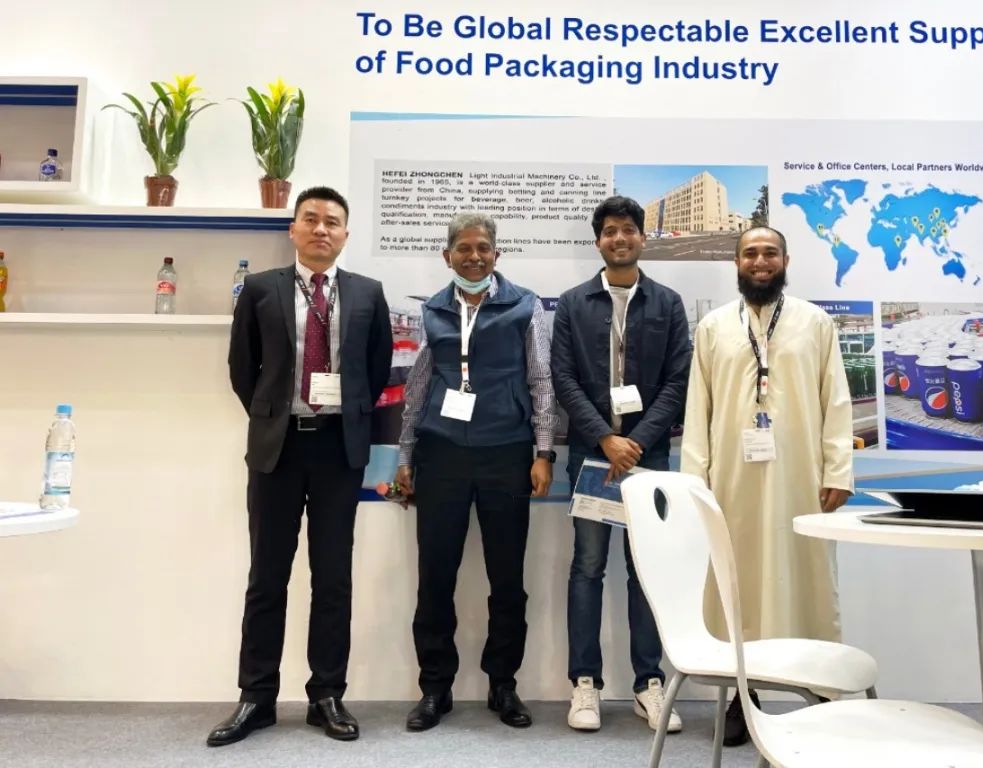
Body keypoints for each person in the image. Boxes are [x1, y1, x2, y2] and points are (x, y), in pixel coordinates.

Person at [208, 187, 393, 747]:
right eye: (310, 219)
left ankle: (327, 695)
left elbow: (376, 367)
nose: (320, 229)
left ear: (345, 235)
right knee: (267, 577)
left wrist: (344, 414)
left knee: (333, 579)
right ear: (293, 229)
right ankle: (256, 696)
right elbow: (243, 367)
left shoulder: (367, 293)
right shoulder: (261, 289)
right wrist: (273, 416)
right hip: (278, 449)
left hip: (339, 451)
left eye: (332, 222)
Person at [681, 225, 853, 746]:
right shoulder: (713, 327)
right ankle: (743, 693)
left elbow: (836, 400)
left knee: (808, 576)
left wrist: (838, 470)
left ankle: (821, 688)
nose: (760, 262)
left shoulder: (816, 323)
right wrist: (696, 480)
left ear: (785, 261)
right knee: (738, 583)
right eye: (750, 254)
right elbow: (698, 408)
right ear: (736, 263)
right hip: (732, 480)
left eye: (770, 253)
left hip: (801, 476)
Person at [393, 212, 557, 732]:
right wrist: (405, 456)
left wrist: (543, 451)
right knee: (435, 577)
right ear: (447, 256)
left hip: (506, 453)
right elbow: (418, 388)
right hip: (441, 455)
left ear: (496, 254)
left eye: (483, 247)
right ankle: (434, 688)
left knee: (507, 578)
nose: (474, 256)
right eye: (463, 248)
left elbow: (541, 380)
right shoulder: (433, 310)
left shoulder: (525, 306)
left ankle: (503, 684)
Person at [551, 196, 691, 732]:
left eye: (628, 229)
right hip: (592, 455)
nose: (619, 238)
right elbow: (563, 378)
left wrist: (635, 442)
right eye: (610, 231)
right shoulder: (572, 303)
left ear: (642, 238)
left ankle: (648, 684)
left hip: (648, 457)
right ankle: (584, 683)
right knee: (587, 567)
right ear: (598, 241)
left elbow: (677, 381)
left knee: (645, 570)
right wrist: (606, 439)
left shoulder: (668, 303)